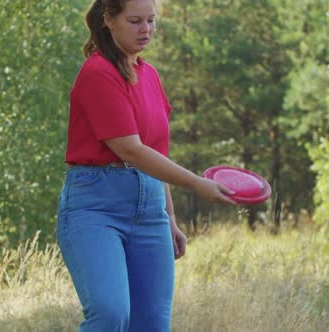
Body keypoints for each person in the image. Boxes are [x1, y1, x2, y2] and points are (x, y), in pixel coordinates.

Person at [57, 0, 235, 331]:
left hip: (150, 211)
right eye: (136, 21)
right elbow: (131, 151)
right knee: (110, 314)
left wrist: (169, 218)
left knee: (152, 323)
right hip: (96, 209)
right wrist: (198, 183)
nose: (146, 29)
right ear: (109, 20)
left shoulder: (149, 74)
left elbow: (156, 152)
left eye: (151, 21)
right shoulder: (98, 73)